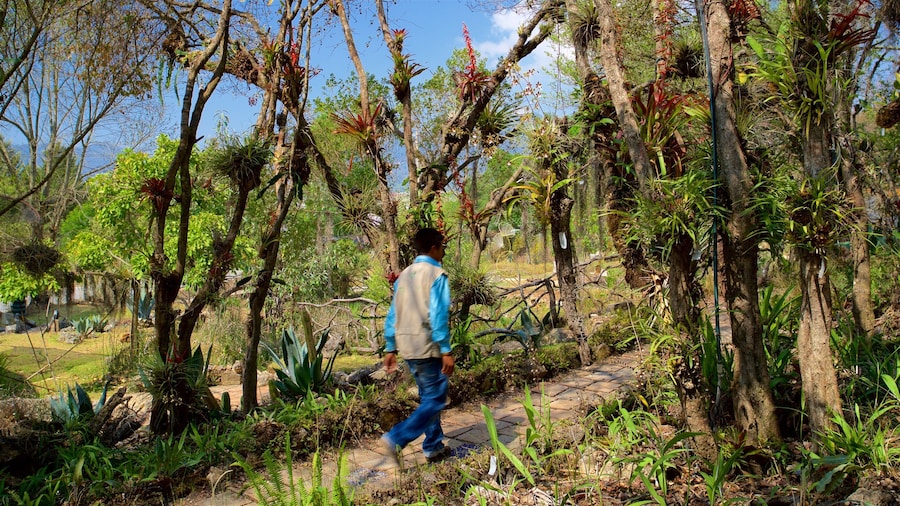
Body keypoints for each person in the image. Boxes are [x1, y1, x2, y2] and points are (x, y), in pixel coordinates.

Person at [379, 227, 455, 467]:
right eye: (442, 246)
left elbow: (393, 313)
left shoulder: (404, 276)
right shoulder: (436, 274)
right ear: (434, 247)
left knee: (427, 396)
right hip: (427, 344)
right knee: (436, 399)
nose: (443, 251)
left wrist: (390, 347)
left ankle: (433, 447)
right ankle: (396, 438)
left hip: (407, 345)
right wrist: (446, 350)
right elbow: (439, 315)